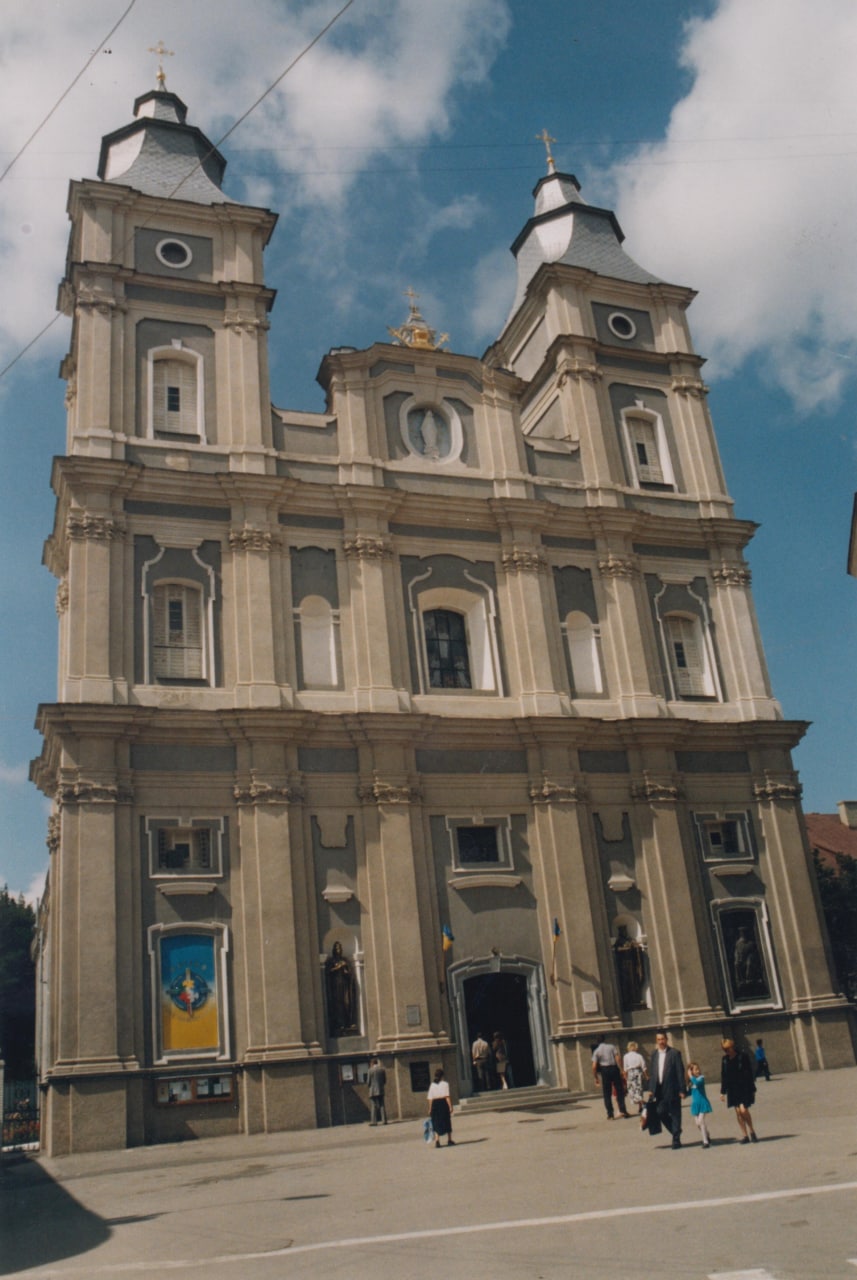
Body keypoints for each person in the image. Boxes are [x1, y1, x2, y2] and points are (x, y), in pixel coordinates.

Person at [650, 1028, 685, 1148]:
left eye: (663, 1039)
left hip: (672, 1087)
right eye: (659, 1039)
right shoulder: (654, 1054)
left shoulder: (674, 1053)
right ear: (656, 1041)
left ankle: (676, 1140)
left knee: (675, 1113)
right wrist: (651, 1089)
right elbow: (653, 1072)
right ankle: (676, 1130)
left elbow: (680, 1071)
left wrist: (682, 1089)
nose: (661, 1041)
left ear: (666, 1039)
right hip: (659, 1089)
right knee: (660, 1112)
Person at [720, 1038, 758, 1143]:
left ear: (732, 1046)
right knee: (738, 1112)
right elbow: (724, 1076)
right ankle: (745, 1135)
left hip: (744, 1087)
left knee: (743, 1110)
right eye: (724, 1049)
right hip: (732, 1088)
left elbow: (749, 1073)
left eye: (727, 1049)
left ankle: (752, 1131)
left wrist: (753, 1088)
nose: (726, 1051)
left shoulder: (742, 1056)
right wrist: (722, 1092)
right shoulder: (725, 1060)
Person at [591, 1035, 629, 1119]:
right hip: (614, 1068)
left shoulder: (597, 1051)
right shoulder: (611, 1047)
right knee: (619, 1090)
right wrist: (621, 1069)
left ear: (597, 1041)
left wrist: (596, 1078)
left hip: (605, 1071)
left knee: (607, 1093)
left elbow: (594, 1066)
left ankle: (610, 1114)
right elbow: (618, 1058)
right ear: (604, 1039)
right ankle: (623, 1110)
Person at [325, 941, 357, 1036]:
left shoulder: (345, 960)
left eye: (340, 948)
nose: (339, 950)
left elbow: (349, 974)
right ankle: (339, 1025)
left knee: (347, 1003)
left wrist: (345, 969)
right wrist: (338, 967)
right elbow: (328, 972)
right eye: (337, 948)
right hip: (335, 987)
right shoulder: (331, 961)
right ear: (334, 950)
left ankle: (348, 1022)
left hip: (345, 986)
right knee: (337, 1005)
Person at [686, 1060, 713, 1148]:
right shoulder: (691, 1082)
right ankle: (707, 1134)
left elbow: (697, 1083)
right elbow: (690, 1092)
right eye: (695, 1070)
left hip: (702, 1103)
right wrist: (684, 1093)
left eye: (698, 1069)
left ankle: (705, 1142)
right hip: (695, 1104)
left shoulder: (701, 1078)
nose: (698, 1071)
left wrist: (691, 1076)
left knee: (701, 1120)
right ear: (691, 1071)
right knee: (698, 1124)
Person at [427, 1067, 455, 1148]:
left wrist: (430, 1108)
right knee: (447, 1120)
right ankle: (449, 1139)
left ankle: (437, 1141)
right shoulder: (445, 1084)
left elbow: (430, 1098)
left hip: (435, 1104)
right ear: (442, 1076)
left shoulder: (432, 1085)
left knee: (436, 1122)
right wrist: (450, 1106)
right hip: (443, 1103)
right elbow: (447, 1096)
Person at [622, 1040, 648, 1113]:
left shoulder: (626, 1056)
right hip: (638, 1073)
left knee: (632, 1090)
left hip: (630, 1073)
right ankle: (642, 1104)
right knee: (639, 1089)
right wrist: (646, 1075)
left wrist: (625, 1077)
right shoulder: (639, 1056)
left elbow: (625, 1068)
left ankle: (641, 1104)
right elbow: (644, 1067)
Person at [367, 1056, 387, 1125]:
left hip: (372, 1091)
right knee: (382, 1105)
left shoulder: (370, 1070)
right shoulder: (382, 1070)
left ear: (372, 1063)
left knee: (373, 1106)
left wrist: (369, 1087)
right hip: (380, 1090)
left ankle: (374, 1121)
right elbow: (384, 1080)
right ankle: (384, 1120)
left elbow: (368, 1082)